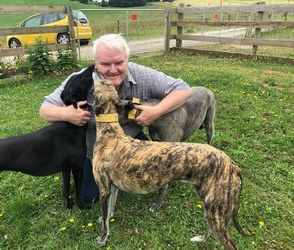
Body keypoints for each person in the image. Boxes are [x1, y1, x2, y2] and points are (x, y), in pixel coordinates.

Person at [39, 34, 192, 206]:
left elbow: (183, 89)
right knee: (90, 197)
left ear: (127, 60)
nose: (113, 70)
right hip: (98, 148)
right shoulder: (80, 80)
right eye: (105, 64)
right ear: (95, 63)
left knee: (153, 180)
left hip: (131, 142)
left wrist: (156, 112)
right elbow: (45, 109)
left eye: (119, 63)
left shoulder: (141, 75)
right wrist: (66, 114)